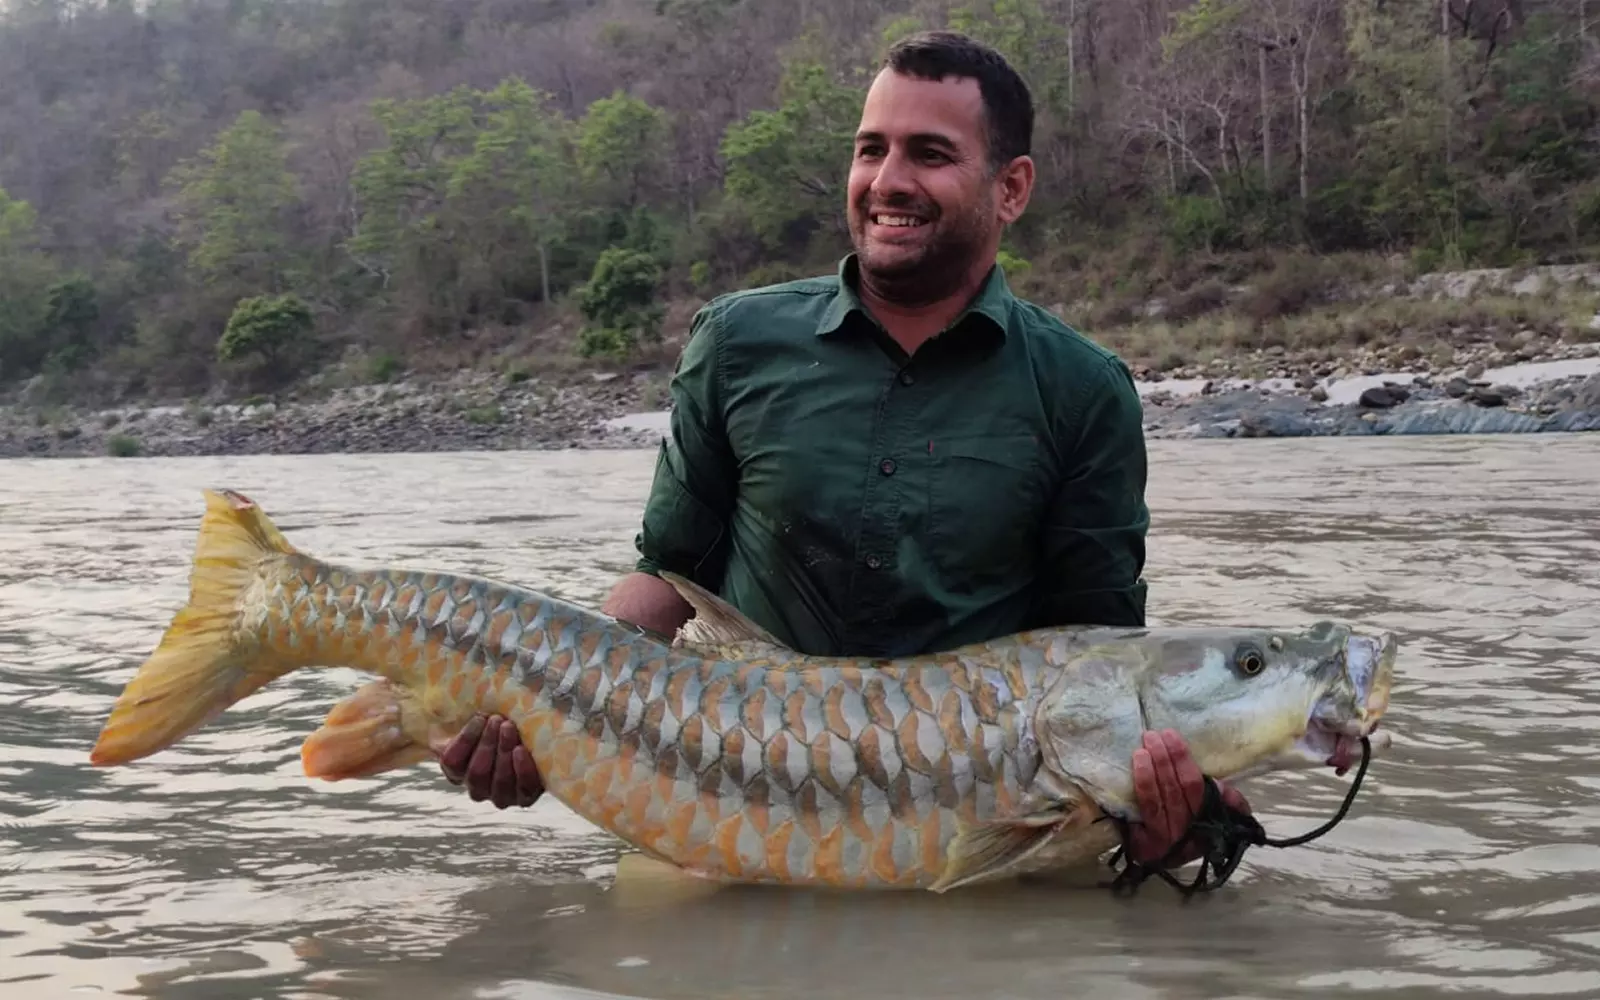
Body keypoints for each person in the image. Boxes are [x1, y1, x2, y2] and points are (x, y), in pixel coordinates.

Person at [436, 30, 1250, 871]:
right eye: (871, 149)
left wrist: (1168, 825)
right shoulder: (737, 342)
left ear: (1011, 188)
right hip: (723, 807)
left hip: (967, 840)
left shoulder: (1082, 389)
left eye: (930, 154)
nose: (887, 181)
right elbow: (668, 577)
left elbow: (1097, 661)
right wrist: (554, 717)